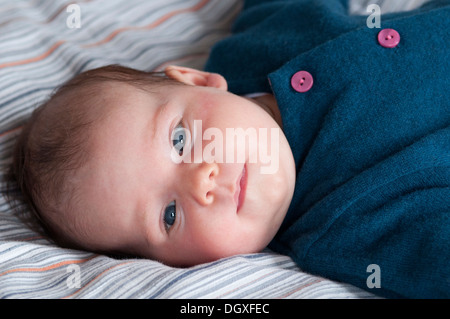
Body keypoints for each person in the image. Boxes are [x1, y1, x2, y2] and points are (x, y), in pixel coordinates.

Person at [10, 0, 449, 298]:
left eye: (179, 139)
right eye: (169, 214)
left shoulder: (257, 51)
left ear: (197, 80)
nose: (201, 181)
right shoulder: (346, 230)